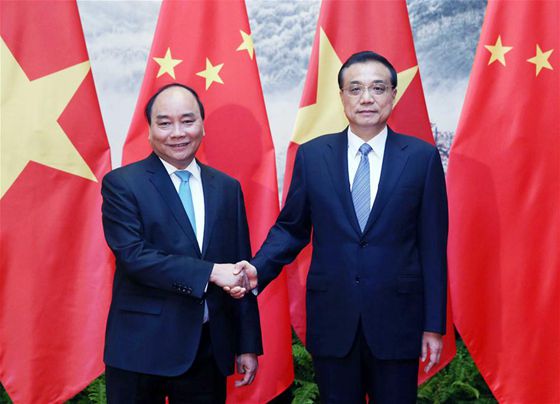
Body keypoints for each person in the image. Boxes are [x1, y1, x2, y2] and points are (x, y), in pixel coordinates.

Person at [234, 51, 448, 403]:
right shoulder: (313, 156)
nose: (367, 98)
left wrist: (434, 324)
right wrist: (258, 268)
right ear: (342, 96)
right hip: (333, 319)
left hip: (398, 321)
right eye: (356, 88)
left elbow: (433, 246)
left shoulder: (421, 158)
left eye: (378, 88)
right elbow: (291, 228)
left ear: (393, 95)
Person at [101, 83, 262, 403]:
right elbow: (134, 257)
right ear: (149, 131)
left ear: (202, 125)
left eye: (187, 121)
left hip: (207, 349)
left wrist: (247, 344)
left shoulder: (227, 188)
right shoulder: (122, 184)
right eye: (165, 123)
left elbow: (239, 268)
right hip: (140, 349)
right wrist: (210, 272)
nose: (177, 133)